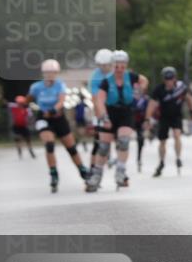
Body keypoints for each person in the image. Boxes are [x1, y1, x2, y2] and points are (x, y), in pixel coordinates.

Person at [26, 59, 91, 192]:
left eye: (53, 73)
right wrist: (24, 101)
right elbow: (29, 99)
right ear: (43, 73)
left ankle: (83, 171)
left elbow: (61, 100)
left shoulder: (59, 85)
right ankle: (54, 174)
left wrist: (54, 110)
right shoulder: (36, 87)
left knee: (71, 148)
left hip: (58, 117)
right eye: (47, 73)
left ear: (56, 73)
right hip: (43, 118)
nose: (50, 76)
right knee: (49, 145)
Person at [88, 50, 149, 191]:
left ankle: (120, 172)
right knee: (103, 147)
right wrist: (104, 117)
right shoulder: (105, 81)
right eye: (117, 66)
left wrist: (140, 90)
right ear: (112, 66)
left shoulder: (131, 77)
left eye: (122, 66)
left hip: (126, 113)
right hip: (109, 113)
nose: (119, 69)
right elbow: (99, 101)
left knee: (124, 141)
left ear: (126, 65)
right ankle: (96, 176)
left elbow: (144, 80)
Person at [146, 66, 192, 177]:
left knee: (177, 135)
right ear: (163, 79)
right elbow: (152, 104)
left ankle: (178, 158)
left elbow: (188, 98)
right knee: (162, 141)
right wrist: (148, 118)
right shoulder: (158, 89)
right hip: (163, 117)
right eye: (166, 79)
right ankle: (161, 162)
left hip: (176, 116)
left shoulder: (181, 87)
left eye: (171, 78)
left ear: (175, 78)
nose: (169, 81)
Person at [87, 49, 114, 181]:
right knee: (99, 143)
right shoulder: (96, 77)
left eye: (106, 65)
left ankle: (120, 168)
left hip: (116, 110)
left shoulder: (117, 73)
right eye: (101, 65)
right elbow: (95, 99)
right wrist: (101, 117)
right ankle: (92, 172)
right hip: (101, 110)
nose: (104, 68)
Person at [132, 87, 150, 173]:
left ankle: (139, 158)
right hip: (131, 121)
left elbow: (148, 111)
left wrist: (147, 120)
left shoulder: (145, 99)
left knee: (140, 139)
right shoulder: (130, 99)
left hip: (141, 121)